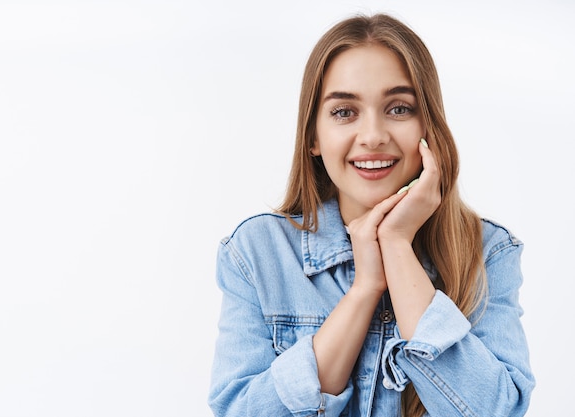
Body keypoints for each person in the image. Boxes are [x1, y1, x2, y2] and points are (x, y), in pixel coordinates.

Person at [207, 13, 534, 417]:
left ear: (427, 125)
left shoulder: (489, 252)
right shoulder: (256, 253)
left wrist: (396, 246)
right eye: (345, 112)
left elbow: (495, 410)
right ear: (313, 136)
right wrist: (365, 290)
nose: (374, 135)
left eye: (399, 108)